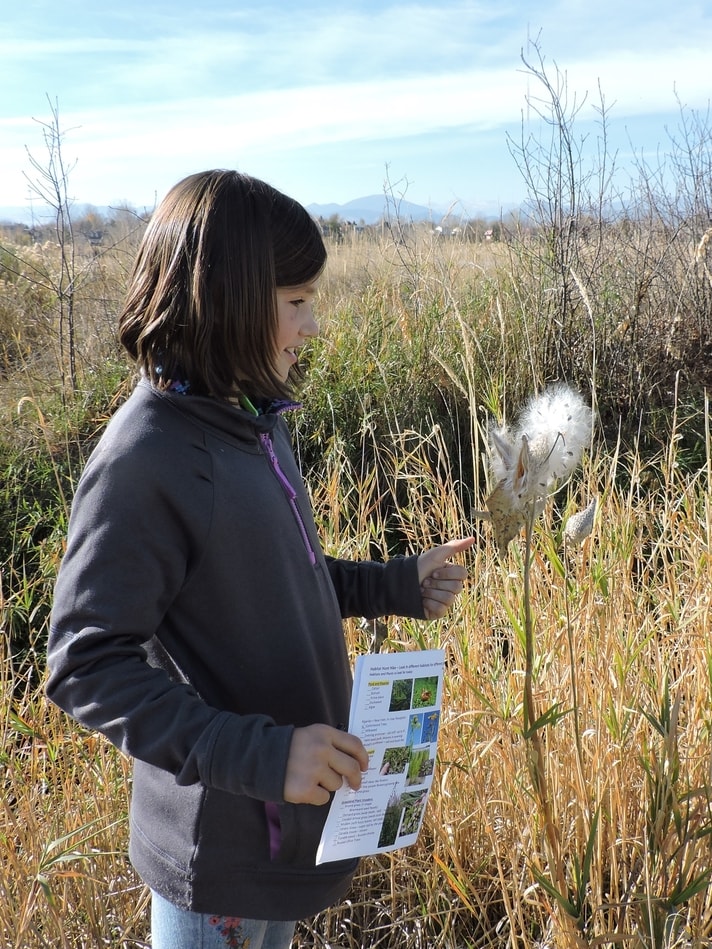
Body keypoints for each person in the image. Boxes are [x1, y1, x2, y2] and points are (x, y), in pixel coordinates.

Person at [46, 170, 473, 949]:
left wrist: (393, 582)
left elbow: (284, 572)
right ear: (231, 301)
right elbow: (85, 663)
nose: (312, 328)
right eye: (296, 302)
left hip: (281, 831)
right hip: (220, 864)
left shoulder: (254, 417)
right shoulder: (147, 457)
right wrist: (265, 755)